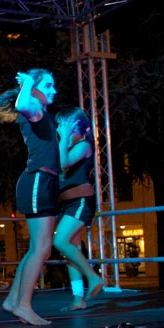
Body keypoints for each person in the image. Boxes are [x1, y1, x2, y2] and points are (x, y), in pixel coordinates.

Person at [0, 68, 58, 326]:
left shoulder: (45, 115)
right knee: (42, 248)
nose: (54, 90)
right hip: (38, 180)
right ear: (35, 89)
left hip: (44, 181)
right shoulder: (33, 109)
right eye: (48, 85)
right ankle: (23, 305)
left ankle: (13, 300)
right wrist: (26, 84)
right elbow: (22, 104)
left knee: (38, 248)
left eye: (53, 85)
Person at [51, 107, 105, 311]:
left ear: (75, 127)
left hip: (80, 200)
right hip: (67, 203)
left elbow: (62, 163)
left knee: (60, 241)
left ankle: (93, 277)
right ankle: (78, 299)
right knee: (72, 251)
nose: (60, 129)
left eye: (64, 126)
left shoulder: (83, 145)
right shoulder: (66, 146)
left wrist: (64, 138)